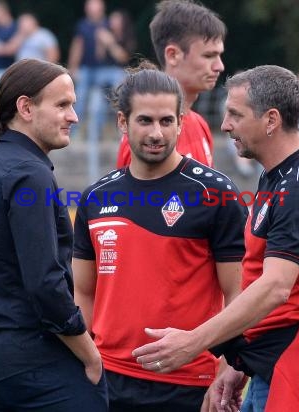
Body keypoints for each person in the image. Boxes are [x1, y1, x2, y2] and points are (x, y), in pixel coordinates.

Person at [132, 65, 299, 412]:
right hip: (272, 365)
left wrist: (193, 342)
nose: (225, 125)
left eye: (235, 114)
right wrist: (238, 363)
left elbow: (275, 288)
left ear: (270, 120)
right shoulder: (278, 176)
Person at [72, 63, 247, 412]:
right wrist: (85, 363)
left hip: (189, 383)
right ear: (123, 122)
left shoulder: (216, 193)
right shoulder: (96, 198)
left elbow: (239, 292)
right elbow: (83, 291)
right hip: (108, 382)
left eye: (167, 121)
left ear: (182, 122)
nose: (157, 133)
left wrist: (227, 369)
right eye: (145, 121)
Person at [0, 59, 108, 411]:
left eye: (74, 105)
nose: (74, 117)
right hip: (44, 368)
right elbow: (45, 283)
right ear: (26, 107)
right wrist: (90, 354)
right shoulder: (29, 174)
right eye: (63, 104)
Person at [116, 0, 226, 168]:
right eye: (209, 56)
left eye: (219, 56)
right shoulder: (143, 140)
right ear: (173, 55)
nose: (219, 66)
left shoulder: (200, 124)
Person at [67, 0, 132, 139]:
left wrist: (107, 42)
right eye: (90, 6)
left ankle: (124, 118)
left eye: (95, 6)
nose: (93, 9)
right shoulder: (82, 25)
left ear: (102, 8)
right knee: (79, 97)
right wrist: (72, 69)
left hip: (104, 70)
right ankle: (72, 133)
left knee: (116, 81)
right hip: (86, 69)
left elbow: (120, 56)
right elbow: (77, 47)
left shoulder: (108, 24)